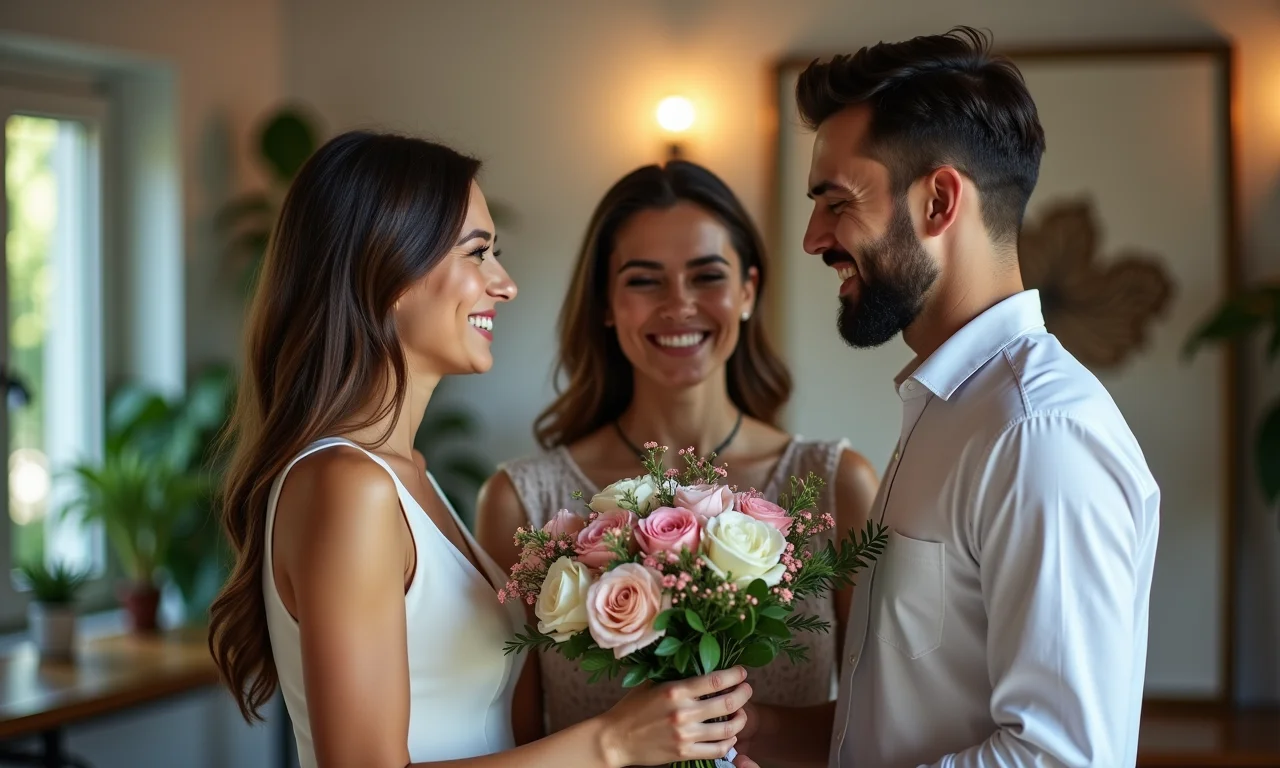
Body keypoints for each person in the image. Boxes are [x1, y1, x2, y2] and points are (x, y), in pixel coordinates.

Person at [205, 131, 752, 768]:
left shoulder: (407, 476)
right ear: (391, 270)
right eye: (479, 253)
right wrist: (612, 742)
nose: (505, 284)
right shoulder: (347, 485)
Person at [733, 26, 1160, 768]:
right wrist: (744, 729)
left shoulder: (1038, 434)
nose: (811, 238)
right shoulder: (950, 411)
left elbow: (1061, 758)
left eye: (836, 202)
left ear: (937, 201)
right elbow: (900, 721)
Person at [475, 160, 879, 740]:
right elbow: (512, 744)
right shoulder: (521, 502)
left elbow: (877, 732)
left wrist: (723, 725)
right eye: (644, 280)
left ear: (747, 291)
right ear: (606, 305)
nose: (679, 304)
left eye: (707, 276)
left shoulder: (837, 483)